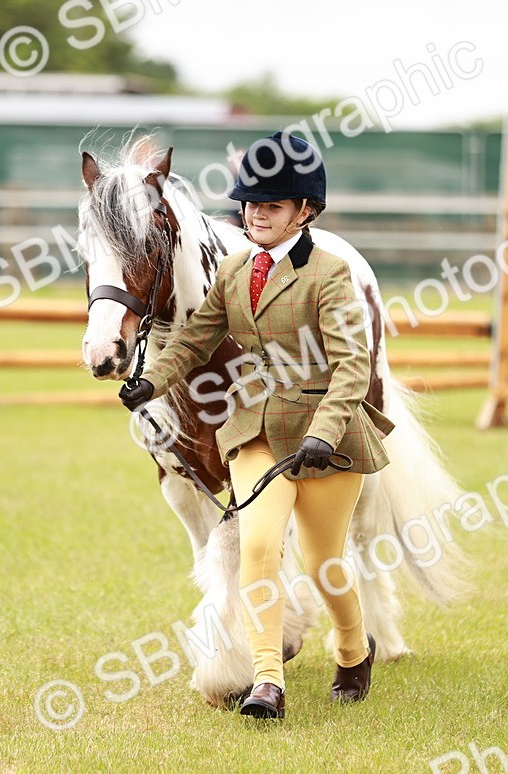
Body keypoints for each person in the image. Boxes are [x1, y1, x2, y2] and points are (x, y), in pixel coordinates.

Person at [119, 132, 395, 720]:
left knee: (325, 564)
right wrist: (154, 380)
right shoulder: (237, 269)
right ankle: (268, 680)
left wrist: (325, 431)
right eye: (249, 204)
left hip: (328, 438)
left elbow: (352, 365)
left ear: (305, 211)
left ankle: (352, 647)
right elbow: (196, 338)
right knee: (258, 547)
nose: (255, 214)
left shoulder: (331, 273)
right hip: (256, 430)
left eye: (271, 205)